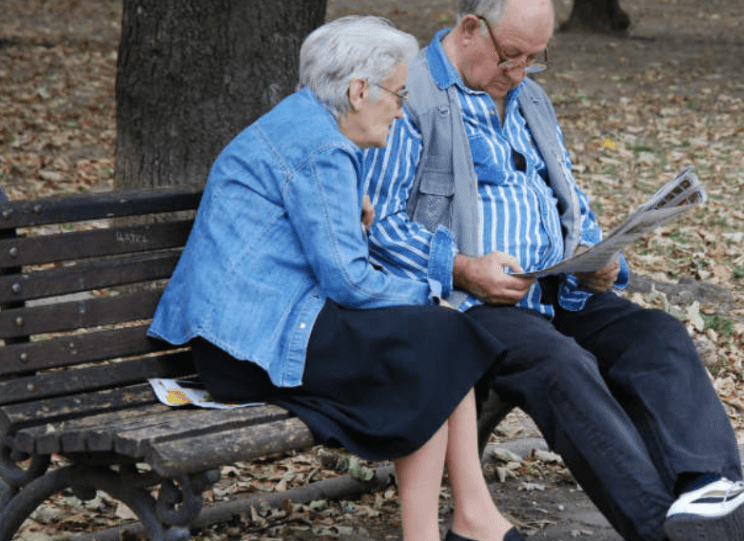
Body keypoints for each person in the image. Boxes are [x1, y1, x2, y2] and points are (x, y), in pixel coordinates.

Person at [360, 2, 744, 541]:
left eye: (534, 58)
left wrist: (601, 256)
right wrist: (462, 267)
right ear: (470, 28)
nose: (519, 72)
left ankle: (710, 491)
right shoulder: (412, 96)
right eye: (510, 56)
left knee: (655, 336)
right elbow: (376, 227)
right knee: (560, 365)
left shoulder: (530, 100)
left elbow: (568, 200)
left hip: (556, 291)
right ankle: (656, 529)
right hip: (471, 306)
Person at [147, 16, 525, 541]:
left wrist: (353, 215)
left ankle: (471, 517)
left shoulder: (307, 125)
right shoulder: (323, 149)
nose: (400, 108)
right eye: (396, 94)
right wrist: (427, 294)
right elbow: (349, 281)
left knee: (439, 337)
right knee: (436, 333)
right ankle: (440, 530)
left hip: (253, 329)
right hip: (248, 348)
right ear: (358, 90)